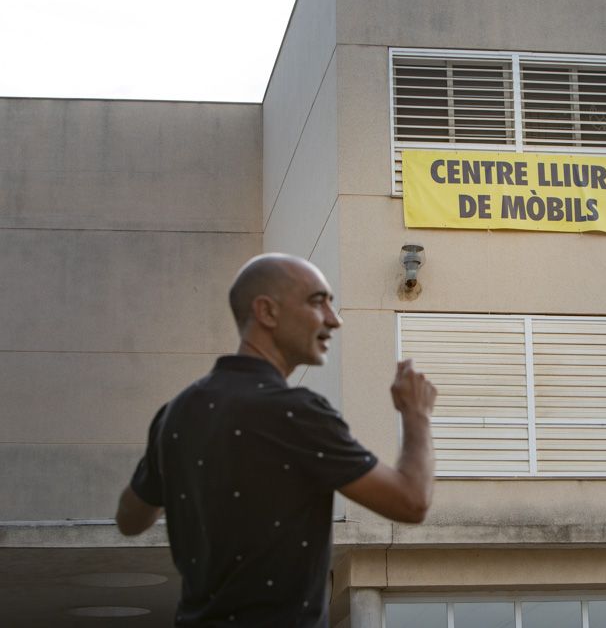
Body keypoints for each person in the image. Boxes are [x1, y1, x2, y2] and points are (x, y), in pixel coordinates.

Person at [115, 253, 437, 627]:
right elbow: (412, 502)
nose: (334, 319)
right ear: (266, 312)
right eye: (318, 301)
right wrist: (416, 415)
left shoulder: (176, 412)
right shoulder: (296, 413)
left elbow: (130, 520)